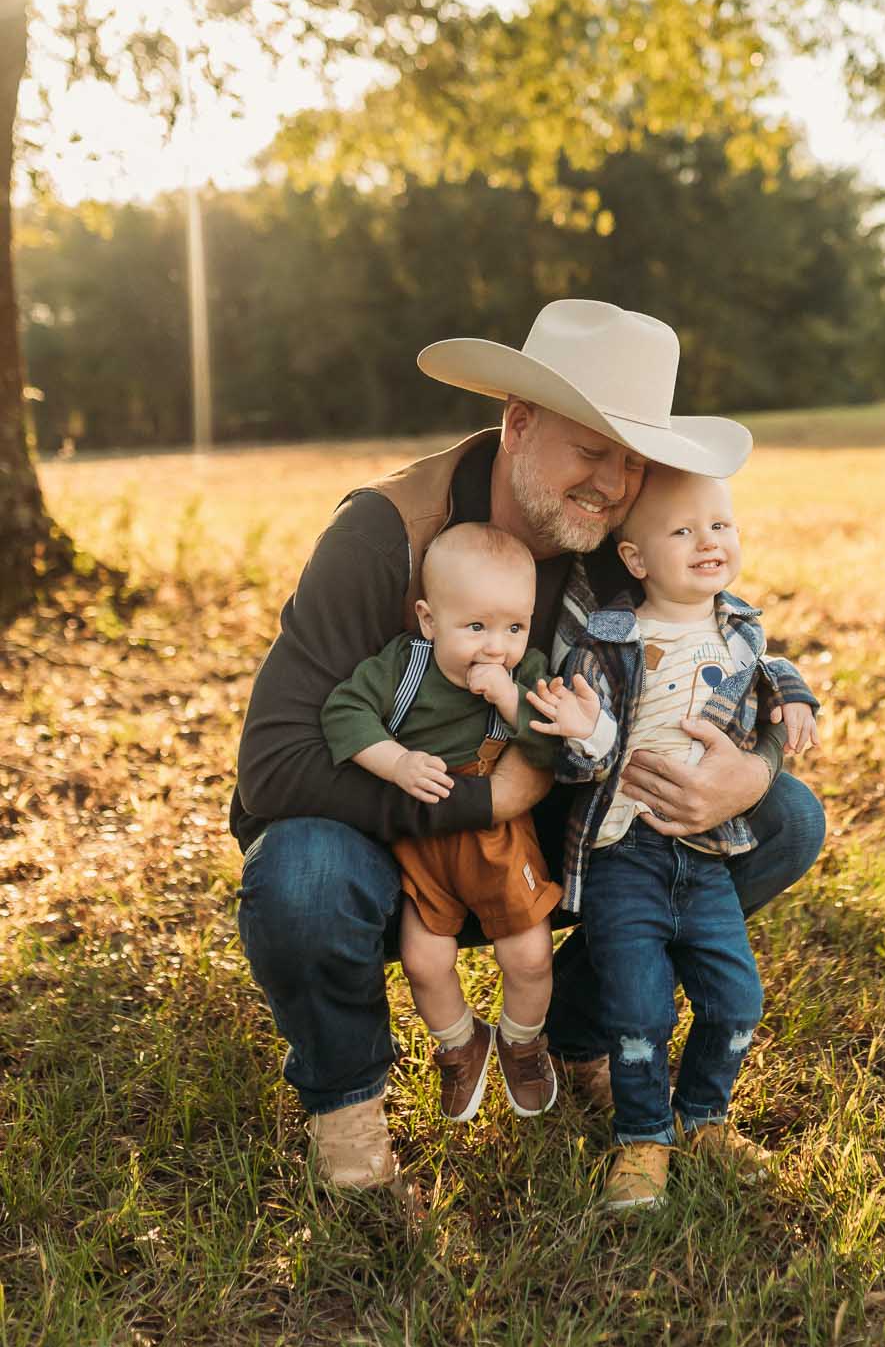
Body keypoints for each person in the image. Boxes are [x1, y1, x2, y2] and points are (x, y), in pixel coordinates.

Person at [233, 300, 827, 1190]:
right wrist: (482, 799)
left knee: (782, 820)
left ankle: (581, 1033)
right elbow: (269, 771)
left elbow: (723, 661)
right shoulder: (382, 536)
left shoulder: (614, 541)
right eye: (591, 450)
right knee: (298, 874)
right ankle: (347, 1100)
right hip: (391, 841)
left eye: (633, 461)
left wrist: (755, 769)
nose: (613, 483)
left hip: (562, 830)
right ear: (518, 421)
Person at [536, 466, 819, 1212]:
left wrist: (793, 700)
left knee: (734, 1002)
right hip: (624, 856)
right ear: (635, 560)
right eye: (682, 531)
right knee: (638, 1011)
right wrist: (581, 731)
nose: (708, 542)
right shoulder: (608, 643)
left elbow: (769, 669)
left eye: (720, 526)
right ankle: (641, 1139)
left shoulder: (741, 629)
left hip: (704, 855)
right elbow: (586, 759)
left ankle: (704, 1118)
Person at [320, 523, 605, 1123]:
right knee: (425, 961)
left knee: (529, 955)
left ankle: (523, 1041)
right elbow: (343, 712)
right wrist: (395, 762)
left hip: (500, 841)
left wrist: (509, 700)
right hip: (423, 844)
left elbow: (553, 753)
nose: (495, 646)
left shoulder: (526, 675)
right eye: (475, 627)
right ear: (428, 620)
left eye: (513, 627)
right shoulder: (404, 669)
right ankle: (459, 1043)